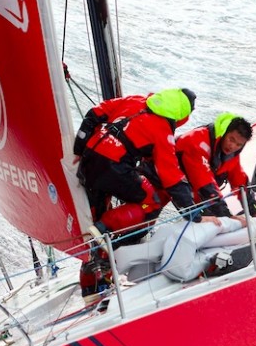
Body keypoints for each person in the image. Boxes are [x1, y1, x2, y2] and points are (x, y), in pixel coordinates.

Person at [75, 87, 201, 240]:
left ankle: (96, 250)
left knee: (99, 204)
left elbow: (94, 114)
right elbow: (171, 176)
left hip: (88, 159)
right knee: (152, 203)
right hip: (113, 168)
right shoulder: (163, 131)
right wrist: (192, 211)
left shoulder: (134, 100)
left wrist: (79, 149)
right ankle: (103, 228)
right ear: (182, 115)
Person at [175, 112, 254, 218]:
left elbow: (240, 181)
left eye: (238, 145)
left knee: (211, 218)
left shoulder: (232, 155)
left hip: (191, 190)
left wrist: (254, 210)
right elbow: (204, 182)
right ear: (224, 132)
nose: (232, 146)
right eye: (231, 139)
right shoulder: (197, 140)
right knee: (148, 214)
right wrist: (227, 215)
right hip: (161, 180)